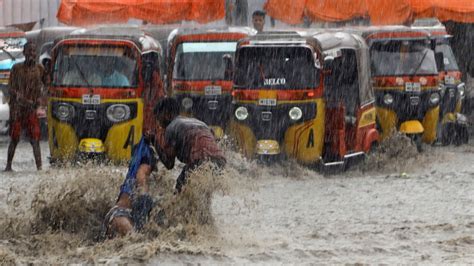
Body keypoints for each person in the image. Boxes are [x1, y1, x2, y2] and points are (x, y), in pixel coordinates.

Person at [100, 97, 226, 238]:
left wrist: (154, 141)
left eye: (158, 118)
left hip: (199, 161)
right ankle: (205, 227)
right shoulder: (196, 122)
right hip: (219, 162)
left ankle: (183, 229)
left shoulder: (172, 127)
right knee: (201, 198)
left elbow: (169, 163)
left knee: (180, 193)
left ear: (166, 114)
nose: (158, 122)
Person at [4, 42, 48, 172]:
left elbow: (47, 84)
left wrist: (41, 99)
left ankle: (39, 167)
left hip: (31, 110)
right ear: (24, 53)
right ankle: (8, 166)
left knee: (35, 139)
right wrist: (20, 98)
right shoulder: (16, 68)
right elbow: (10, 88)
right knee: (15, 138)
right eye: (29, 51)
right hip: (17, 110)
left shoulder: (40, 69)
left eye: (34, 51)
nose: (31, 54)